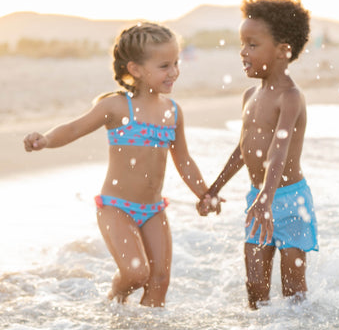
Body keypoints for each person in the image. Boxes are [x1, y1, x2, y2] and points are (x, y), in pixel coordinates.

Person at [24, 22, 220, 307]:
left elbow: (184, 160)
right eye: (164, 65)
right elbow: (74, 128)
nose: (174, 72)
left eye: (176, 63)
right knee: (136, 273)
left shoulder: (173, 112)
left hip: (153, 210)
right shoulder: (116, 106)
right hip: (116, 208)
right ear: (135, 69)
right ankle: (113, 302)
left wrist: (205, 193)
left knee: (160, 281)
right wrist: (46, 139)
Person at [198, 0, 319, 309]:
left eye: (252, 44)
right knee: (255, 287)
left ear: (283, 50)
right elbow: (243, 149)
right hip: (257, 200)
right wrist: (214, 189)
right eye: (242, 44)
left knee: (293, 291)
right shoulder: (250, 95)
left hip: (291, 202)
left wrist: (268, 197)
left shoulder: (290, 97)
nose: (243, 52)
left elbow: (279, 151)